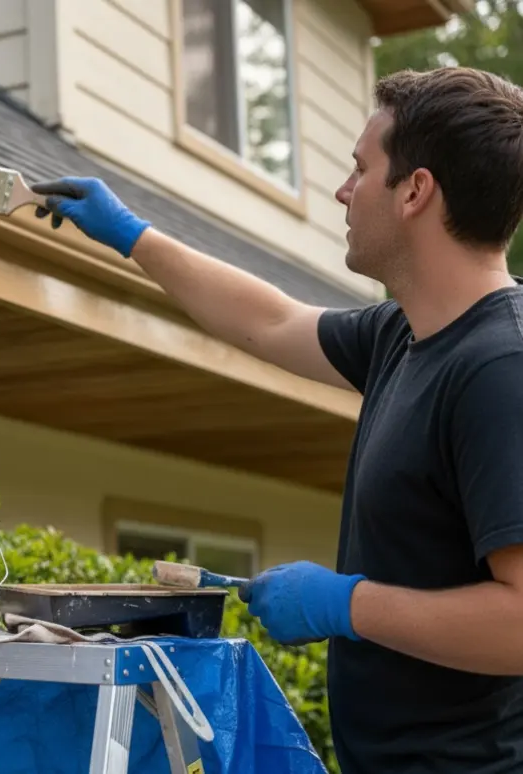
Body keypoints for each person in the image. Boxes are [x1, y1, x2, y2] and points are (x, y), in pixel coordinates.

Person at [28, 66, 523, 773]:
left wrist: (346, 605)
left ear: (415, 192)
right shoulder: (403, 336)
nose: (342, 191)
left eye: (360, 169)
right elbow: (271, 319)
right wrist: (132, 236)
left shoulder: (501, 369)